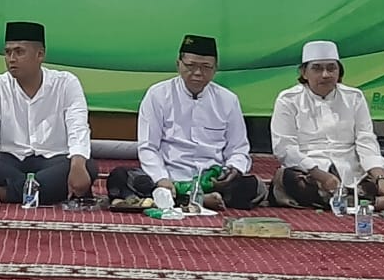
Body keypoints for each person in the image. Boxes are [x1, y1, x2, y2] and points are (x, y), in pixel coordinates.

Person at [106, 34, 266, 209]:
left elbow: (238, 148)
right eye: (191, 66)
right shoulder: (157, 95)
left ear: (215, 69)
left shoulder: (228, 100)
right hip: (169, 178)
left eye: (206, 67)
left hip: (212, 180)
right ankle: (197, 200)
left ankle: (178, 200)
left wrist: (233, 169)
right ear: (178, 64)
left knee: (253, 186)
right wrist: (161, 179)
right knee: (120, 177)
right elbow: (148, 147)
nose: (197, 73)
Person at [0, 21, 98, 204]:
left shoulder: (66, 83)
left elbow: (78, 126)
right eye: (8, 52)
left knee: (87, 166)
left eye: (19, 52)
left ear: (40, 55)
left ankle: (3, 194)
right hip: (10, 160)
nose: (11, 59)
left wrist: (78, 163)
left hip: (53, 160)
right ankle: (41, 192)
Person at [269, 40, 384, 210]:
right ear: (304, 73)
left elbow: (366, 140)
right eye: (317, 69)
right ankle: (369, 203)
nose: (325, 75)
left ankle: (351, 200)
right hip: (310, 171)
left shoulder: (354, 97)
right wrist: (321, 176)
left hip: (351, 170)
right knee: (289, 179)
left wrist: (380, 178)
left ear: (339, 72)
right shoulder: (288, 99)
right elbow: (285, 148)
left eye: (331, 68)